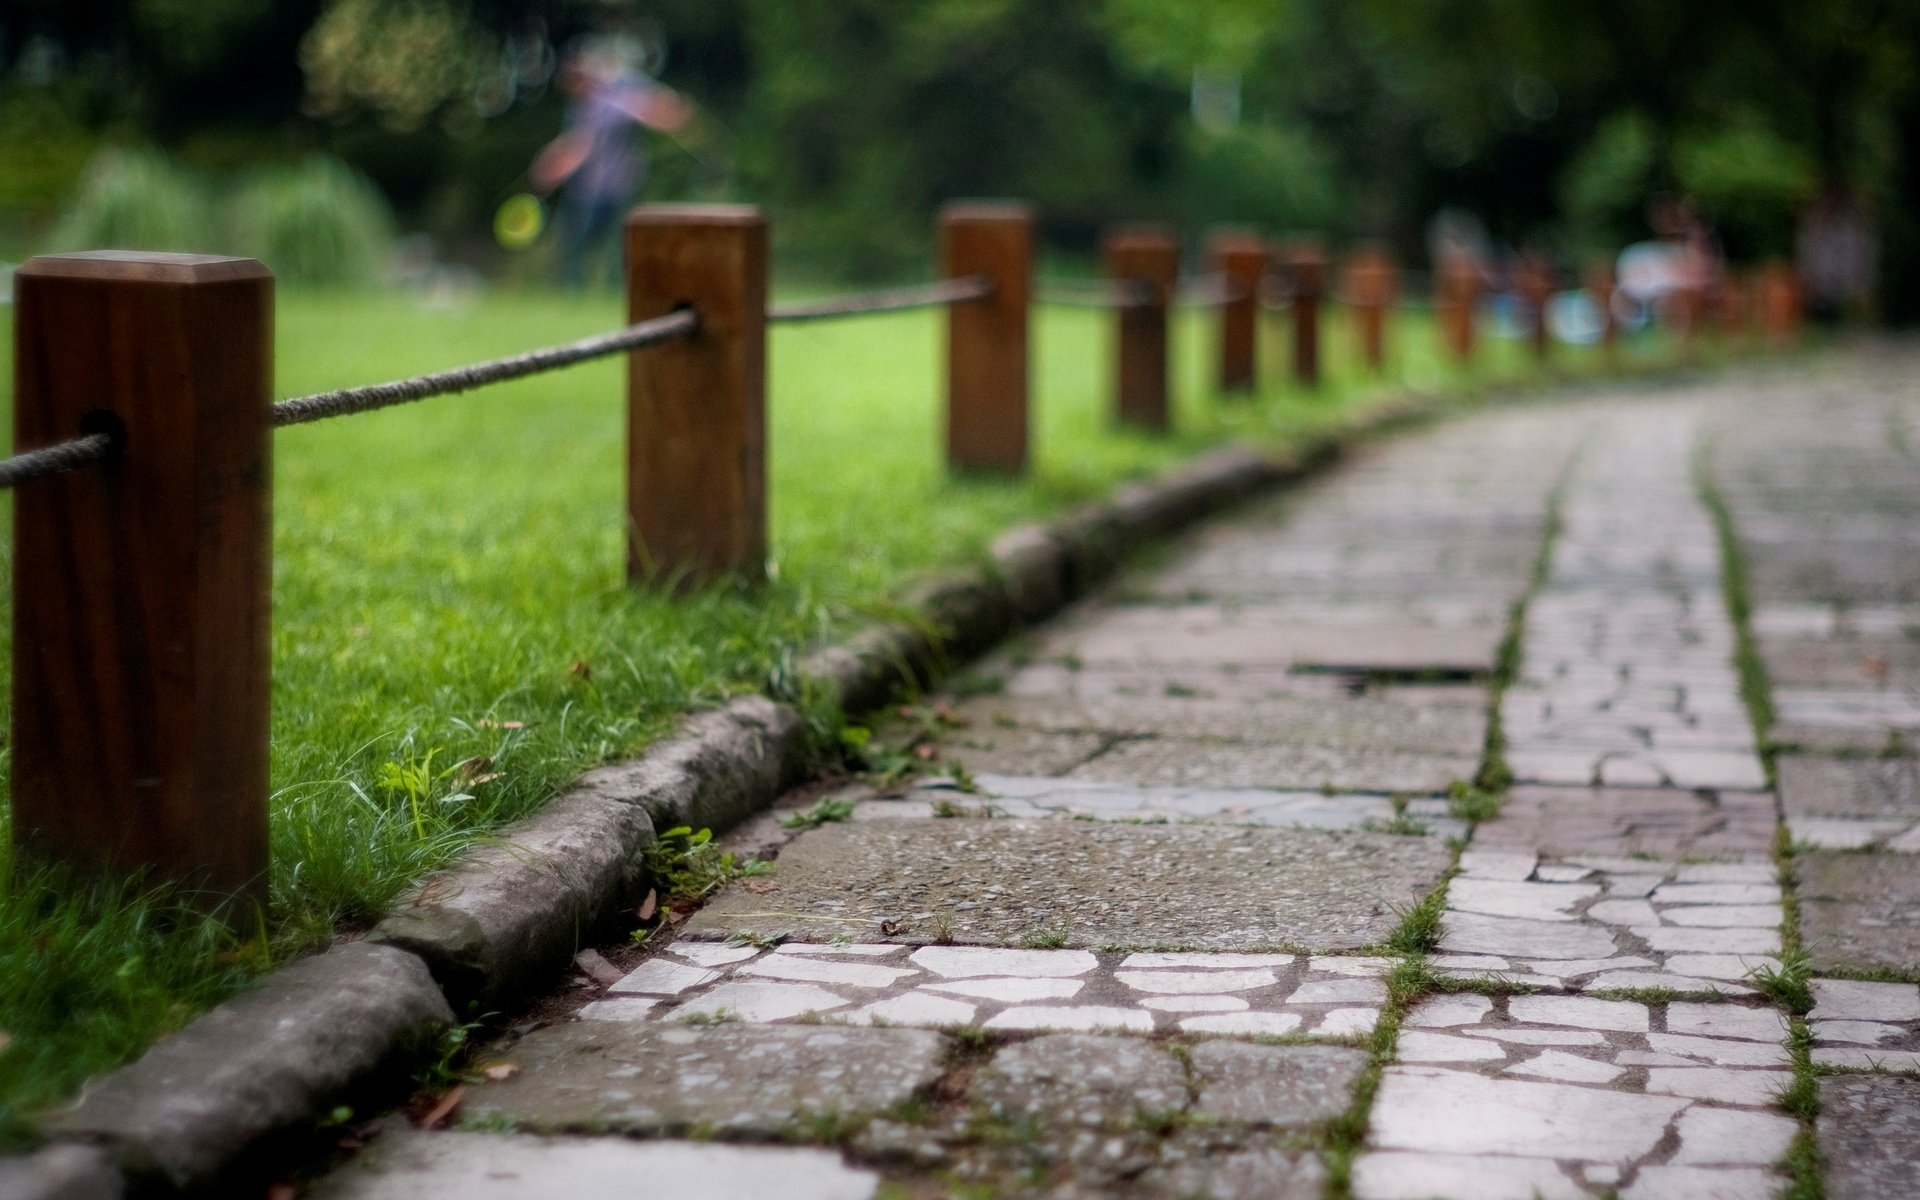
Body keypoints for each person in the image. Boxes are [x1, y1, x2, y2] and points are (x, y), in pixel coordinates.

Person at [532, 42, 692, 288]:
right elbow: (576, 144)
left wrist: (674, 114)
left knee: (618, 246)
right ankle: (572, 291)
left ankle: (618, 292)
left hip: (618, 185)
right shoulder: (579, 108)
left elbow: (653, 107)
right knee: (575, 243)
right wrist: (551, 166)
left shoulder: (613, 100)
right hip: (587, 188)